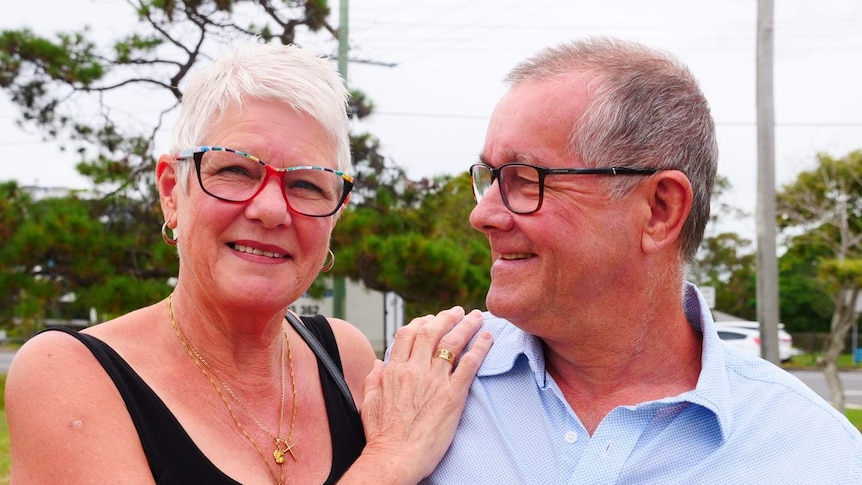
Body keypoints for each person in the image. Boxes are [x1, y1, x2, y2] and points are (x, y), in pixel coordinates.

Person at [5, 41, 492, 485]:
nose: (270, 209)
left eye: (305, 184)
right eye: (235, 169)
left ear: (335, 216)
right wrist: (391, 459)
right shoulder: (66, 374)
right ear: (173, 192)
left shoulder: (345, 357)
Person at [424, 37, 862, 483]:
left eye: (524, 179)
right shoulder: (419, 389)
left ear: (660, 210)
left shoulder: (820, 457)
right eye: (491, 178)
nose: (482, 215)